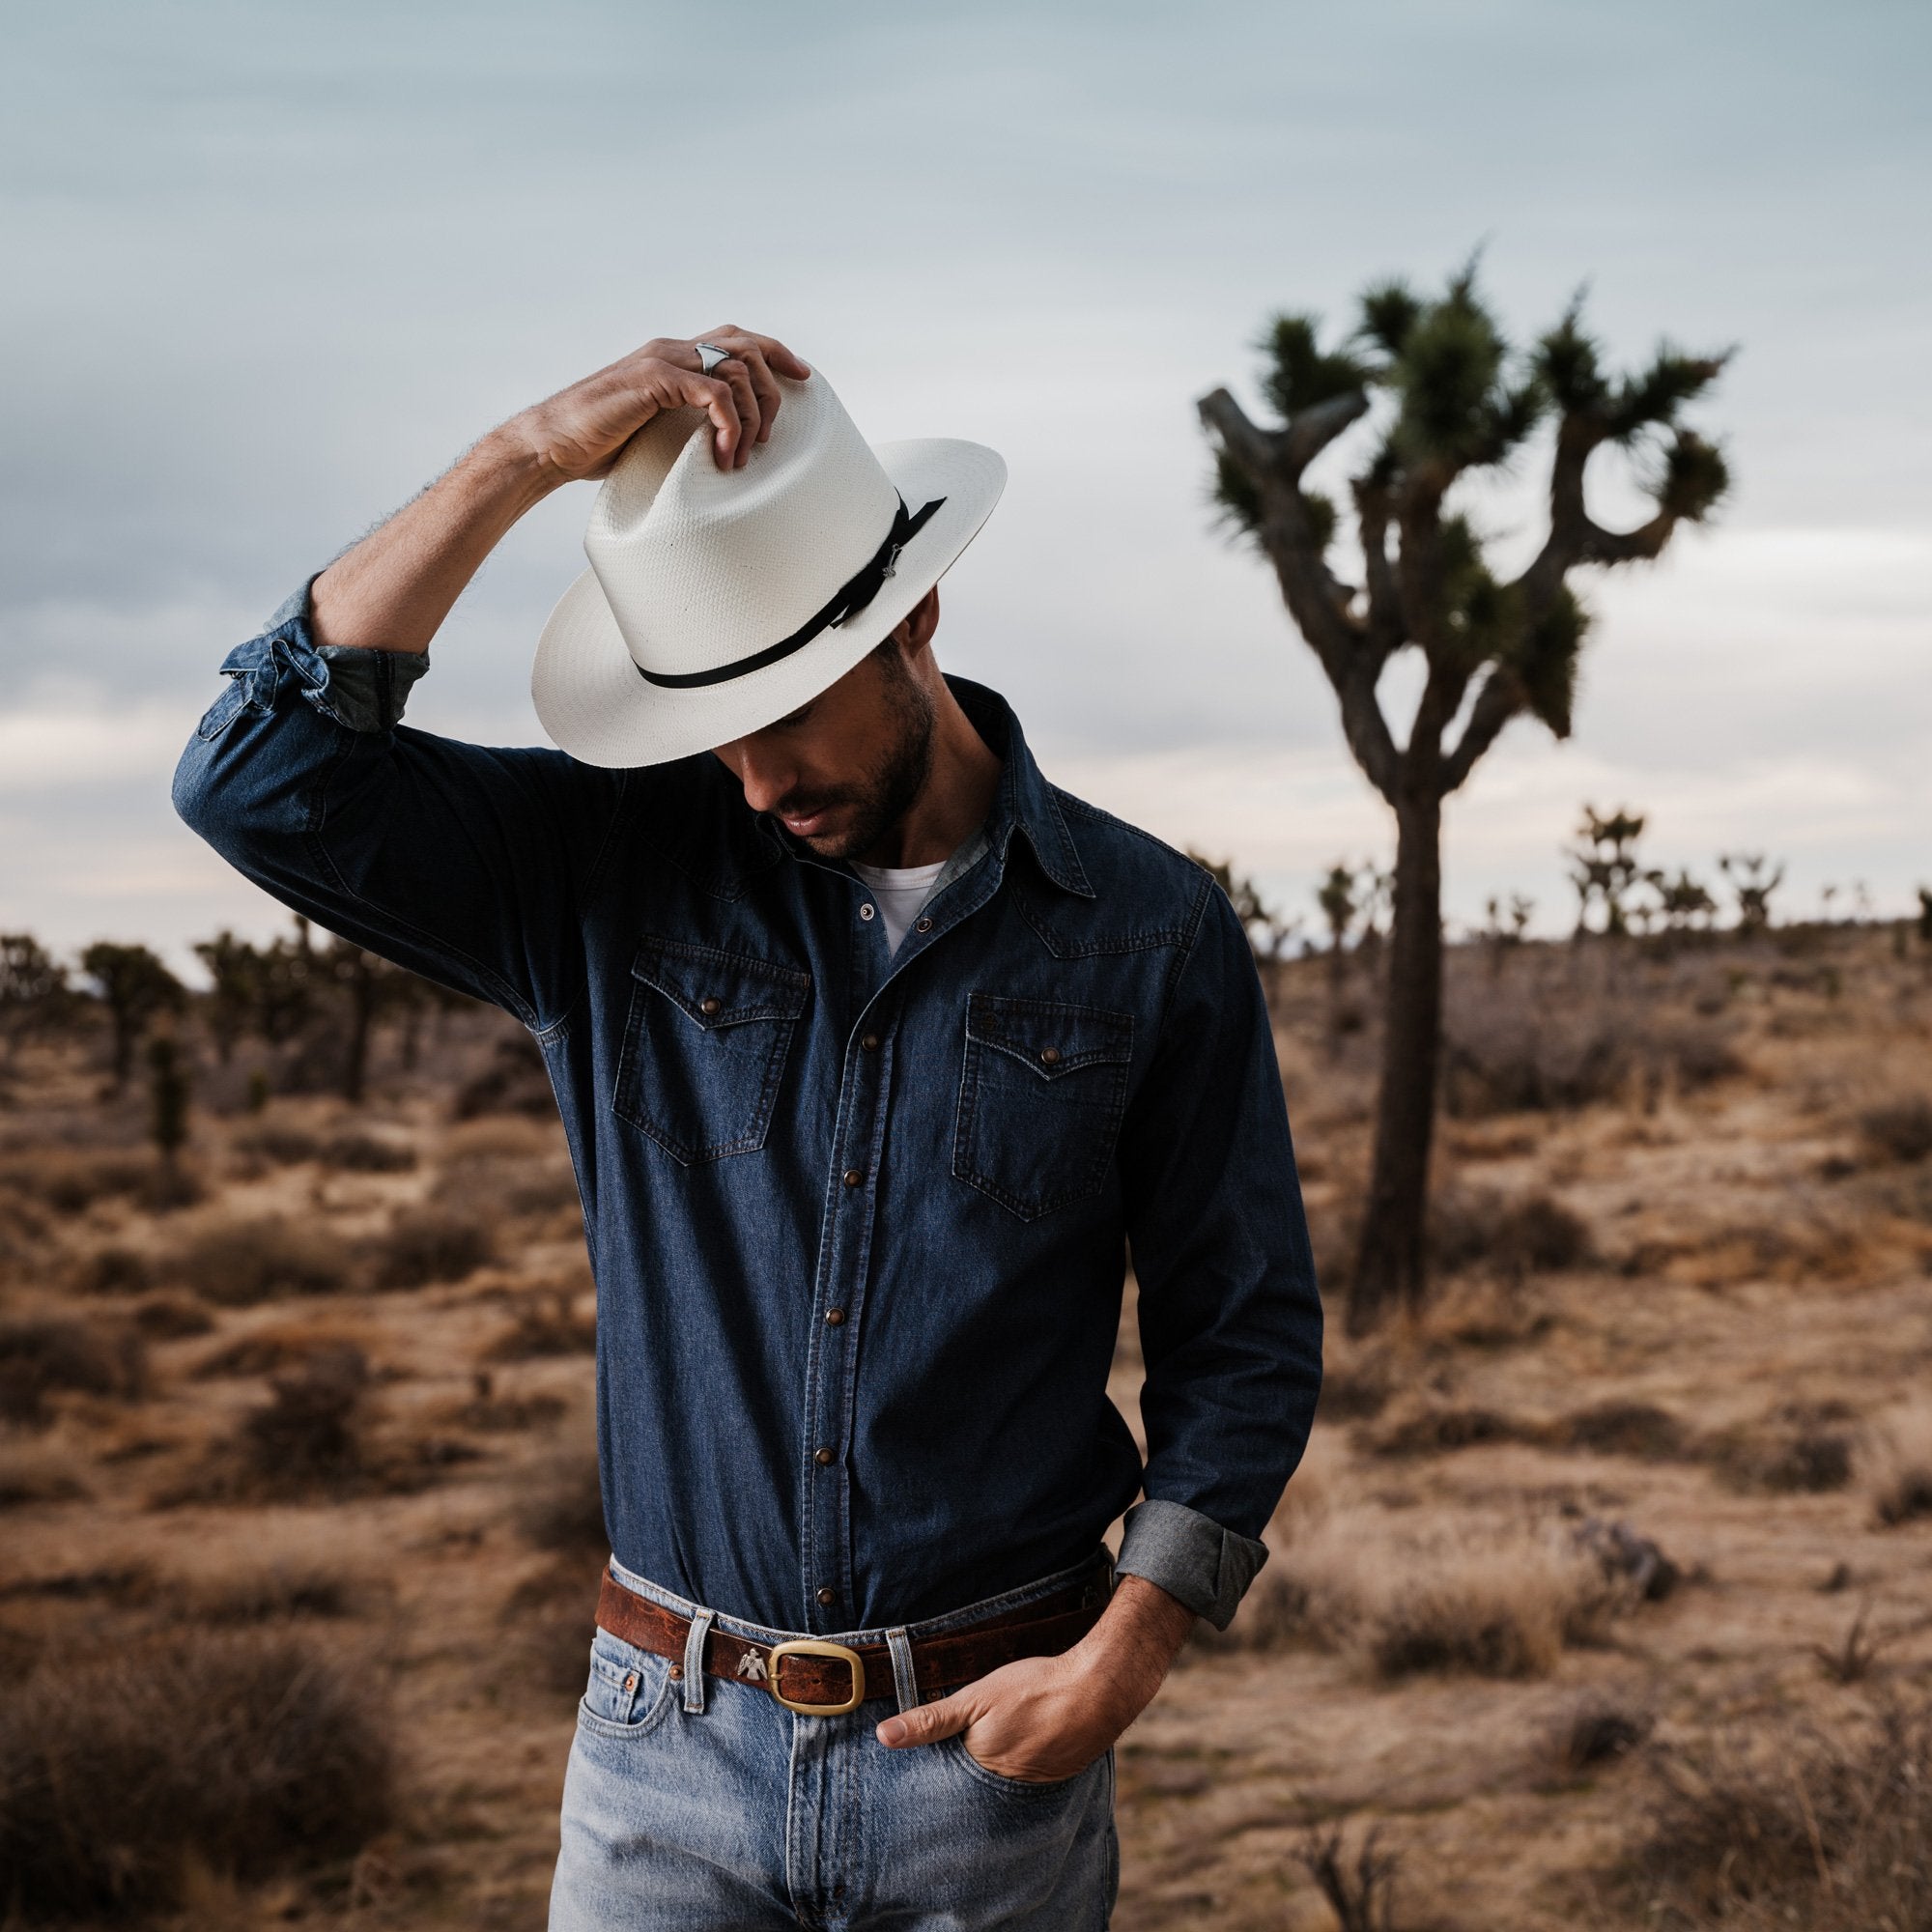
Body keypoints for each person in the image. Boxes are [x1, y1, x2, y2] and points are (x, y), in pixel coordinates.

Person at [172, 326, 1322, 1930]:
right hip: (664, 1768)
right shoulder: (607, 874)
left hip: (986, 1769)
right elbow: (256, 777)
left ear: (915, 613)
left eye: (790, 704)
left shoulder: (1143, 930)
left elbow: (1244, 1332)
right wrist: (522, 453)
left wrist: (1123, 1662)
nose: (755, 770)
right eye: (709, 716)